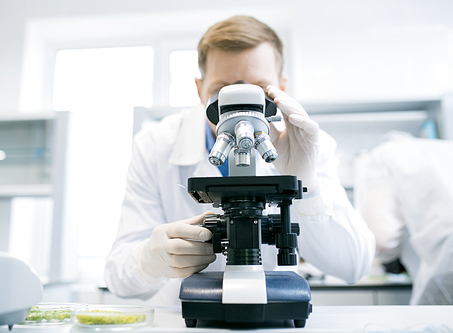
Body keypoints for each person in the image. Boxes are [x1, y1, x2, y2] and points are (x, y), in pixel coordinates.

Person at [105, 15, 375, 307]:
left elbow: (353, 265)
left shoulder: (309, 145)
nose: (239, 108)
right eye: (222, 92)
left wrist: (305, 184)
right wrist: (149, 261)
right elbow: (117, 277)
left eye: (258, 90)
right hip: (183, 319)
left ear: (280, 88)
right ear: (200, 90)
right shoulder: (155, 146)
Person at [354, 132, 453, 305]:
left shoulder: (380, 157)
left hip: (446, 263)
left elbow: (382, 240)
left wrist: (386, 259)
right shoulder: (444, 149)